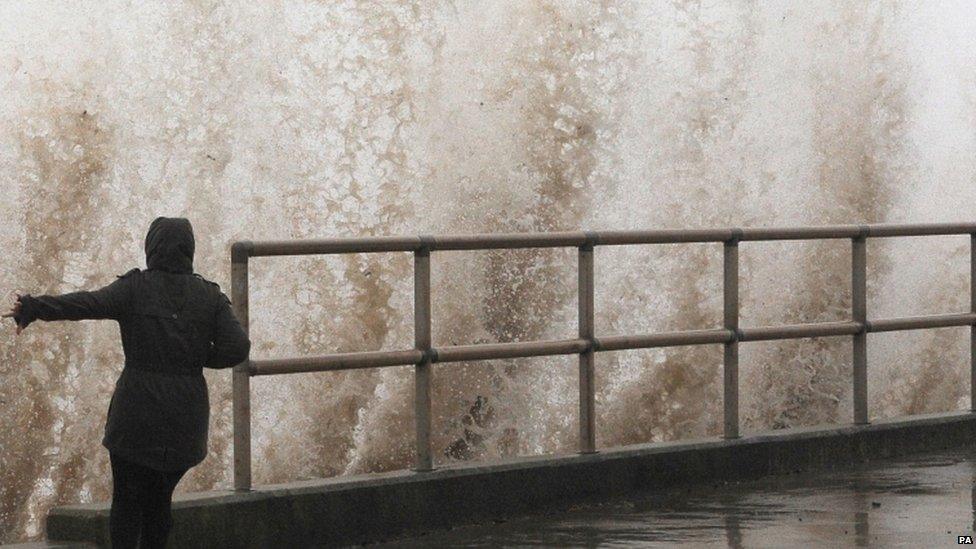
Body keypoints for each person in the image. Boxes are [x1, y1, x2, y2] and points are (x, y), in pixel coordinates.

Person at [3, 217, 250, 549]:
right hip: (185, 422)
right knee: (159, 500)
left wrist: (34, 307)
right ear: (189, 250)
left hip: (136, 418)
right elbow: (238, 347)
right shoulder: (210, 297)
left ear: (151, 248)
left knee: (127, 503)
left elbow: (85, 304)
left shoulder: (135, 288)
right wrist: (191, 357)